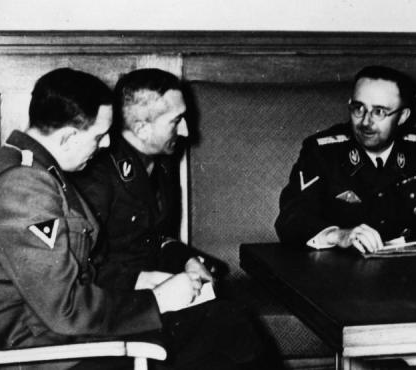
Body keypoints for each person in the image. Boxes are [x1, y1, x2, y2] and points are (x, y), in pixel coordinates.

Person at [0, 68, 202, 369]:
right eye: (98, 136)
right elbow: (65, 309)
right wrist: (157, 301)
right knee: (209, 341)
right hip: (29, 355)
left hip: (50, 339)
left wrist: (136, 280)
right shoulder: (21, 187)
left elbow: (69, 273)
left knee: (211, 329)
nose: (106, 146)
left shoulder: (34, 169)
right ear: (69, 137)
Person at [72, 68, 270, 370]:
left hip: (156, 299)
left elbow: (156, 238)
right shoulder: (97, 178)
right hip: (120, 314)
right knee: (231, 325)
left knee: (233, 320)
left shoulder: (160, 167)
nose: (187, 131)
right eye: (176, 121)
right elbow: (80, 269)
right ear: (141, 129)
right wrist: (147, 283)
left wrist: (186, 260)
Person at [275, 65, 416, 253]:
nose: (366, 121)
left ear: (402, 117)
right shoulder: (323, 151)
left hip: (410, 275)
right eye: (359, 108)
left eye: (379, 112)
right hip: (337, 276)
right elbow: (292, 217)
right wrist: (338, 235)